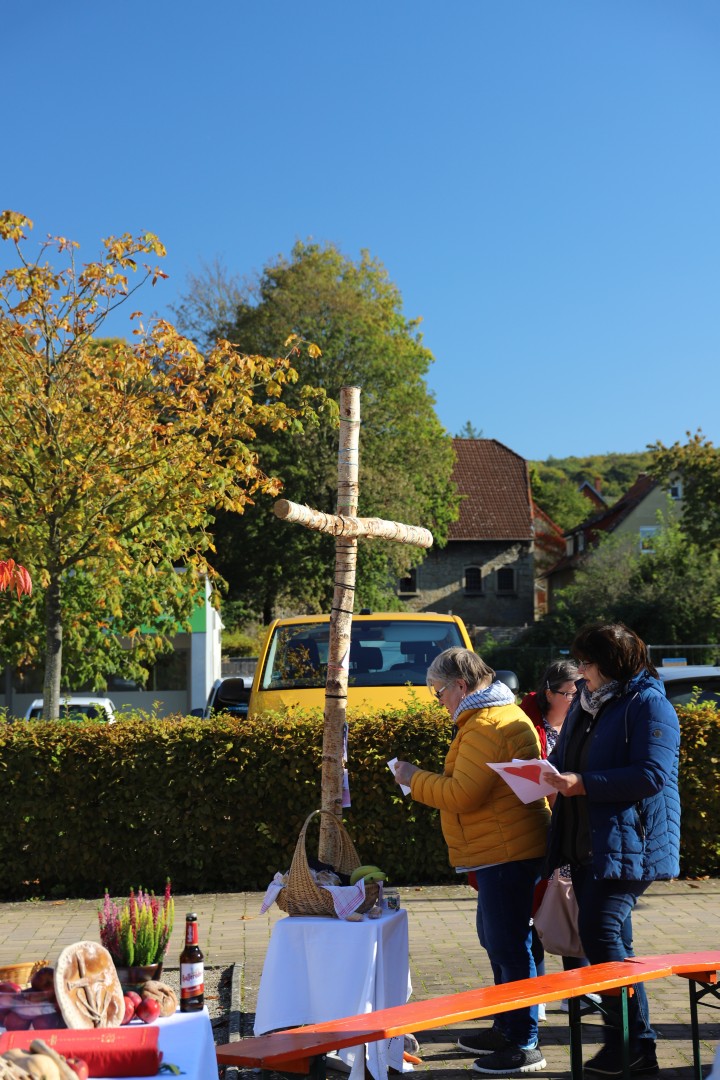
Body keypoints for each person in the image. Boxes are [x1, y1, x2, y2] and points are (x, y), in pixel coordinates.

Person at [394, 647, 551, 1076]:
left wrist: (411, 778)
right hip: (503, 847)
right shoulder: (495, 716)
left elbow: (462, 794)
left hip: (506, 850)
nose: (438, 700)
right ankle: (510, 1025)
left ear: (461, 686)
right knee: (501, 938)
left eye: (438, 692)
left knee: (508, 943)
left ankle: (523, 1042)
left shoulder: (487, 724)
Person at [543, 623, 680, 1078]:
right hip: (588, 842)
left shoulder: (649, 704)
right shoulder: (587, 701)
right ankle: (631, 1047)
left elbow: (651, 775)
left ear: (613, 662)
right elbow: (567, 759)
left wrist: (581, 784)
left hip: (631, 843)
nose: (580, 673)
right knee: (611, 940)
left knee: (600, 933)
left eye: (587, 663)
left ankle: (633, 1043)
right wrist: (543, 773)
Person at [520, 661, 600, 1017]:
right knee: (534, 913)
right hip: (538, 829)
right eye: (569, 692)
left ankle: (579, 990)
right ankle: (536, 998)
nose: (576, 697)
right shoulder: (527, 724)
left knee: (571, 908)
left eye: (579, 690)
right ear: (549, 693)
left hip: (571, 828)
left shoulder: (583, 719)